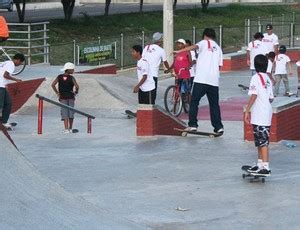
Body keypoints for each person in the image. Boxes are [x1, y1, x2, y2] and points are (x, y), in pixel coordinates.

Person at [174, 28, 224, 134]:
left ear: (205, 35)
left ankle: (193, 125)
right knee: (214, 104)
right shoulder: (218, 48)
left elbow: (194, 46)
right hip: (213, 81)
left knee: (194, 102)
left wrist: (179, 51)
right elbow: (220, 66)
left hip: (201, 79)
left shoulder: (203, 42)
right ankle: (218, 127)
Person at [245, 54, 274, 176]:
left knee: (263, 142)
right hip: (265, 112)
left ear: (255, 65)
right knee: (259, 141)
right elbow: (271, 98)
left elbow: (254, 94)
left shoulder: (255, 78)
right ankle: (260, 164)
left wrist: (247, 110)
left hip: (260, 114)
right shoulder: (268, 79)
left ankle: (266, 167)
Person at [142, 32, 170, 102]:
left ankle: (144, 107)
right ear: (160, 40)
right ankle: (151, 107)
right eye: (162, 38)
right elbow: (165, 62)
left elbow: (142, 59)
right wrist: (169, 69)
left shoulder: (146, 47)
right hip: (153, 74)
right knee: (152, 92)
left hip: (144, 73)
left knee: (144, 90)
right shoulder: (161, 50)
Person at [51, 62, 79, 133]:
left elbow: (53, 85)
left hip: (63, 98)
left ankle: (66, 129)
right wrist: (76, 92)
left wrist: (57, 93)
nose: (73, 70)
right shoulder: (72, 78)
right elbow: (77, 86)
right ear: (68, 69)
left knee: (64, 113)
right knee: (71, 112)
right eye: (72, 69)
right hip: (71, 97)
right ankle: (70, 128)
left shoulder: (59, 76)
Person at [0, 53, 25, 129]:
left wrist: (5, 84)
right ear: (17, 60)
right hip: (0, 86)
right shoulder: (11, 65)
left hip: (2, 86)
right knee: (1, 105)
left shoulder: (6, 62)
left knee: (8, 103)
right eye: (20, 63)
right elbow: (5, 75)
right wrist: (16, 80)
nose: (20, 64)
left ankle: (4, 122)